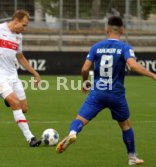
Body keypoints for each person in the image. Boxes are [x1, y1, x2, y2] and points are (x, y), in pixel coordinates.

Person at [56, 16, 156, 165]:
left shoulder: (96, 47)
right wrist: (153, 75)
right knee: (126, 125)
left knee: (80, 120)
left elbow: (84, 69)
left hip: (97, 93)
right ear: (122, 30)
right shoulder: (125, 47)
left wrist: (85, 83)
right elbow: (133, 66)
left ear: (106, 29)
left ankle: (72, 133)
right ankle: (132, 157)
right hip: (116, 95)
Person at [0, 10, 42, 147]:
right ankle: (30, 138)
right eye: (23, 25)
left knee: (24, 108)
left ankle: (7, 99)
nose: (25, 28)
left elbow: (20, 57)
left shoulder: (18, 37)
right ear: (15, 21)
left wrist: (35, 73)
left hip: (13, 76)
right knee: (15, 103)